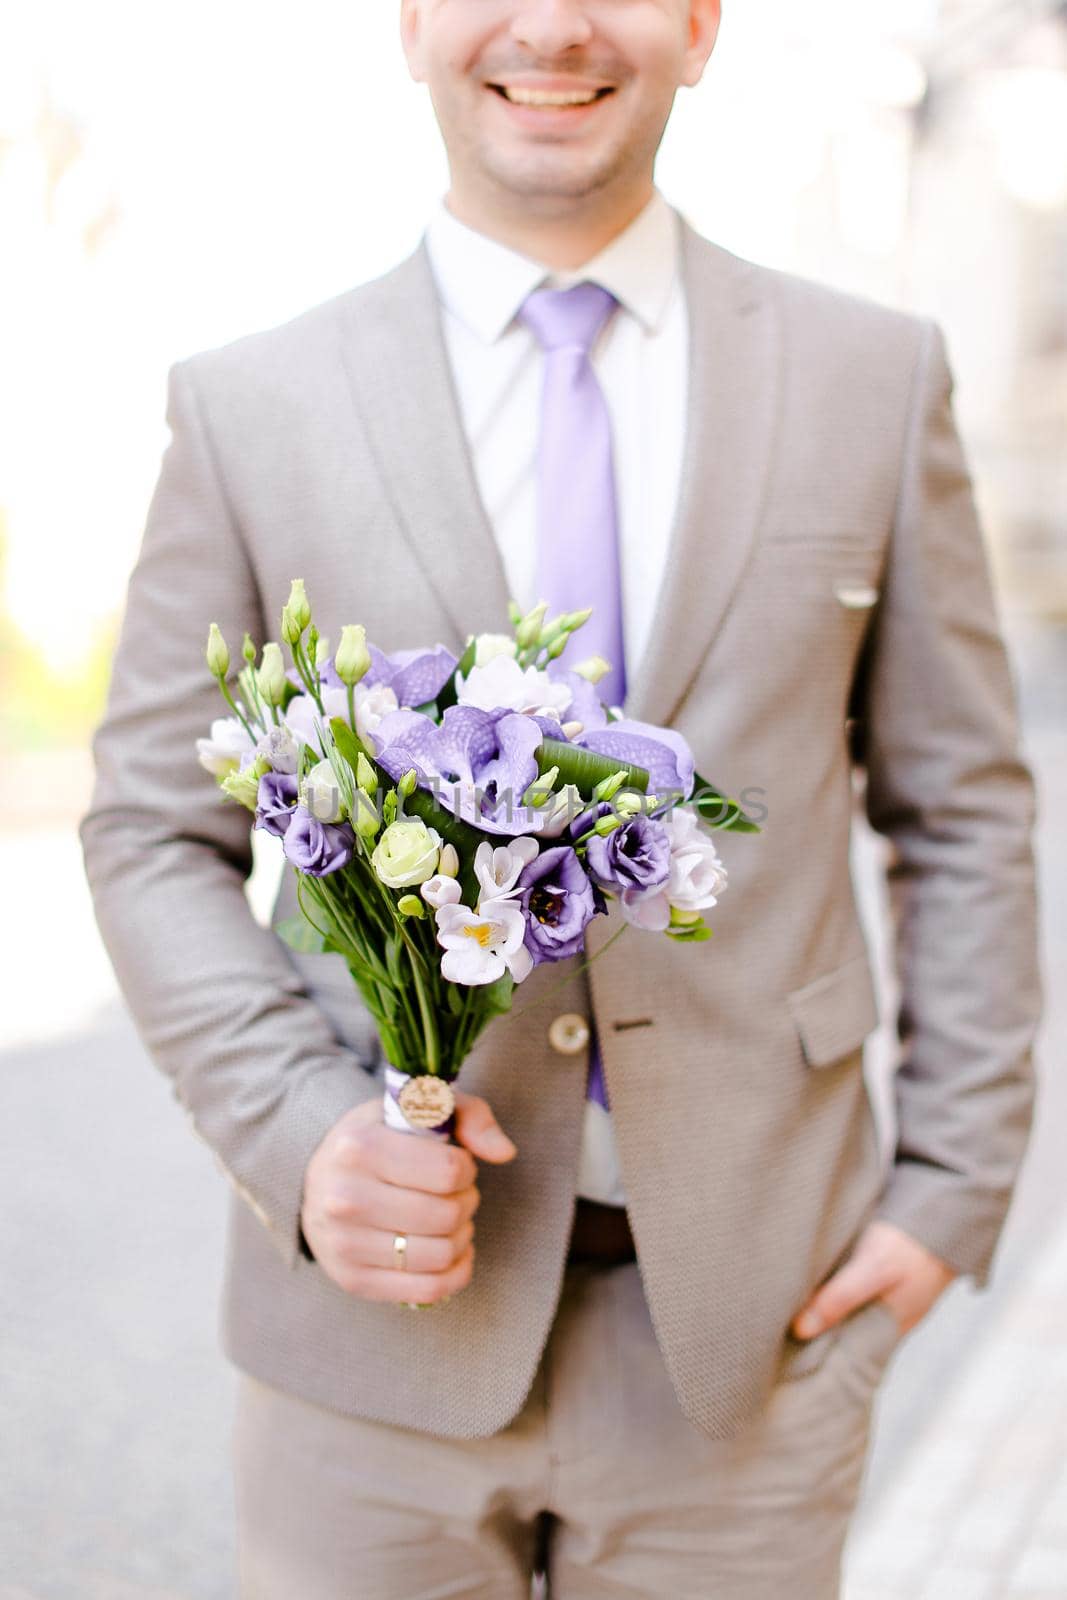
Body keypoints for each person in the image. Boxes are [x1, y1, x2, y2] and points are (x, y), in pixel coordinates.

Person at [79, 0, 1042, 1594]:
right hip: (367, 1349)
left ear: (700, 23)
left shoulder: (875, 381)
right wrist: (301, 1132)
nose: (552, 27)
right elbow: (147, 828)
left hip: (754, 1341)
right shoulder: (249, 406)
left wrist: (955, 1186)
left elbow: (965, 810)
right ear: (406, 23)